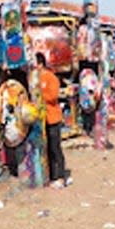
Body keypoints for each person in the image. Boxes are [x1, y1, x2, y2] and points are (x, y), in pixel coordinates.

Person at [36, 53, 69, 188]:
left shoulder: (51, 78)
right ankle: (51, 176)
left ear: (40, 64)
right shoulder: (35, 78)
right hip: (41, 119)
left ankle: (60, 176)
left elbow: (53, 96)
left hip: (53, 118)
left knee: (55, 148)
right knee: (47, 148)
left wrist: (39, 94)